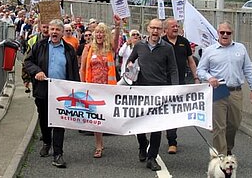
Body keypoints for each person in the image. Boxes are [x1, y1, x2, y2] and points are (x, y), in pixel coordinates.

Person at [24, 19, 79, 168]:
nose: (54, 32)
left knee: (59, 121)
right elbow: (28, 62)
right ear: (49, 31)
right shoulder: (39, 46)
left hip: (61, 92)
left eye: (57, 30)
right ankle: (47, 141)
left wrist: (75, 90)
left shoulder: (68, 50)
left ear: (62, 33)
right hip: (43, 89)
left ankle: (58, 154)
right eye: (52, 29)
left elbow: (74, 71)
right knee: (44, 119)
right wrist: (37, 71)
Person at [197, 21, 252, 156]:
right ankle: (221, 155)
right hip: (218, 91)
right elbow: (200, 70)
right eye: (222, 32)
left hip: (235, 91)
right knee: (219, 126)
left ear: (232, 34)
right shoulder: (209, 51)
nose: (225, 35)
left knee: (234, 123)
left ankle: (228, 147)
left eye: (228, 33)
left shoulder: (240, 48)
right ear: (218, 33)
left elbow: (248, 69)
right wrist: (209, 77)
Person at [126, 18, 179, 171]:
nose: (155, 31)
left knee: (157, 126)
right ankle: (142, 144)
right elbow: (129, 62)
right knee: (140, 123)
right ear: (147, 29)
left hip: (160, 91)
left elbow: (173, 70)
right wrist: (130, 68)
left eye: (158, 28)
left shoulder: (167, 48)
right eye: (152, 28)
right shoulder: (139, 45)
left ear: (162, 31)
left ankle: (152, 157)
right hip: (141, 90)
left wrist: (174, 88)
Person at [80, 15, 121, 158]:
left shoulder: (110, 49)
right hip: (93, 89)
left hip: (107, 88)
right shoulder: (88, 49)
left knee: (106, 116)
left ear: (106, 35)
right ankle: (98, 145)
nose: (99, 34)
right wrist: (82, 87)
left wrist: (117, 26)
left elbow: (116, 41)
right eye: (97, 32)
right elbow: (83, 69)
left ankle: (103, 139)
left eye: (102, 32)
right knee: (96, 117)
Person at [162, 17, 199, 154]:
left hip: (179, 83)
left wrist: (196, 77)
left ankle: (172, 141)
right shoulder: (162, 42)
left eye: (177, 26)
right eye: (172, 26)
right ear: (165, 29)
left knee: (173, 112)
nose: (176, 28)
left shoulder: (184, 42)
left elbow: (191, 62)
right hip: (163, 83)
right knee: (162, 112)